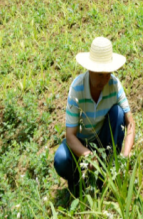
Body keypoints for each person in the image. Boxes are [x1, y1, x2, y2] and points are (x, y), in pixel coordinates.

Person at [54, 37, 135, 196]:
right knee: (61, 159)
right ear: (90, 70)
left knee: (118, 113)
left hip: (103, 141)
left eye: (107, 74)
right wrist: (88, 155)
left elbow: (130, 123)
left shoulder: (114, 85)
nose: (104, 80)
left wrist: (125, 155)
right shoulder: (77, 89)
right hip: (80, 144)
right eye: (100, 75)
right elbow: (70, 136)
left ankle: (108, 170)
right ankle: (78, 182)